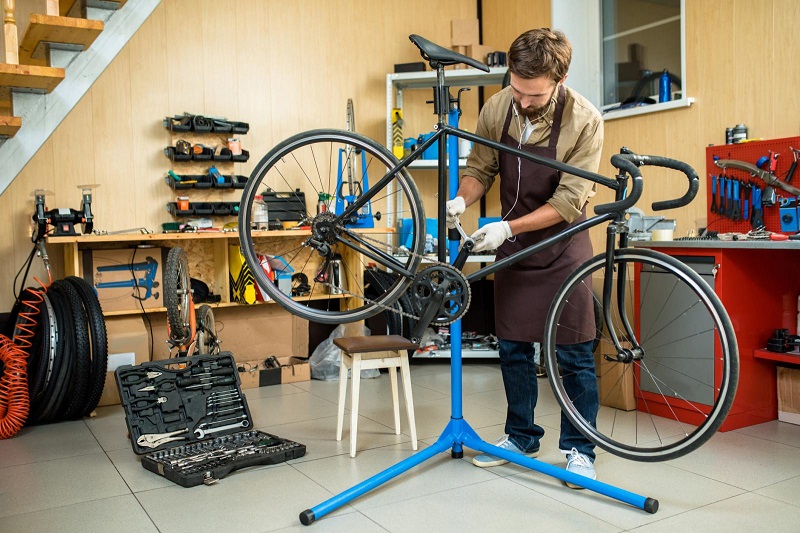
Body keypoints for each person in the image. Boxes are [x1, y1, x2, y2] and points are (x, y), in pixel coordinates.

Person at [446, 28, 603, 487]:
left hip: (563, 245)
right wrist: (462, 200)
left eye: (533, 95)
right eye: (517, 88)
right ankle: (521, 436)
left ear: (560, 79)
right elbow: (481, 167)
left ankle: (579, 448)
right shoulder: (499, 106)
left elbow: (571, 200)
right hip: (512, 244)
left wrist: (508, 227)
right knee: (512, 346)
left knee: (572, 353)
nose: (523, 101)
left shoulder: (585, 120)